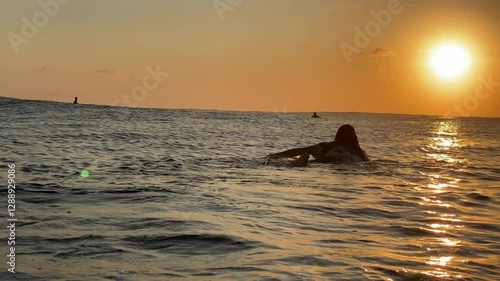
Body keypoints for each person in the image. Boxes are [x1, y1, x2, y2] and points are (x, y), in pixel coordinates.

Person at [267, 124, 368, 166]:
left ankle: (304, 162)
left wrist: (277, 155)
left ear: (337, 136)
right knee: (317, 163)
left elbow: (299, 150)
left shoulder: (326, 147)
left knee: (314, 162)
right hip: (340, 161)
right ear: (354, 138)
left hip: (327, 158)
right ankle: (306, 163)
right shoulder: (361, 154)